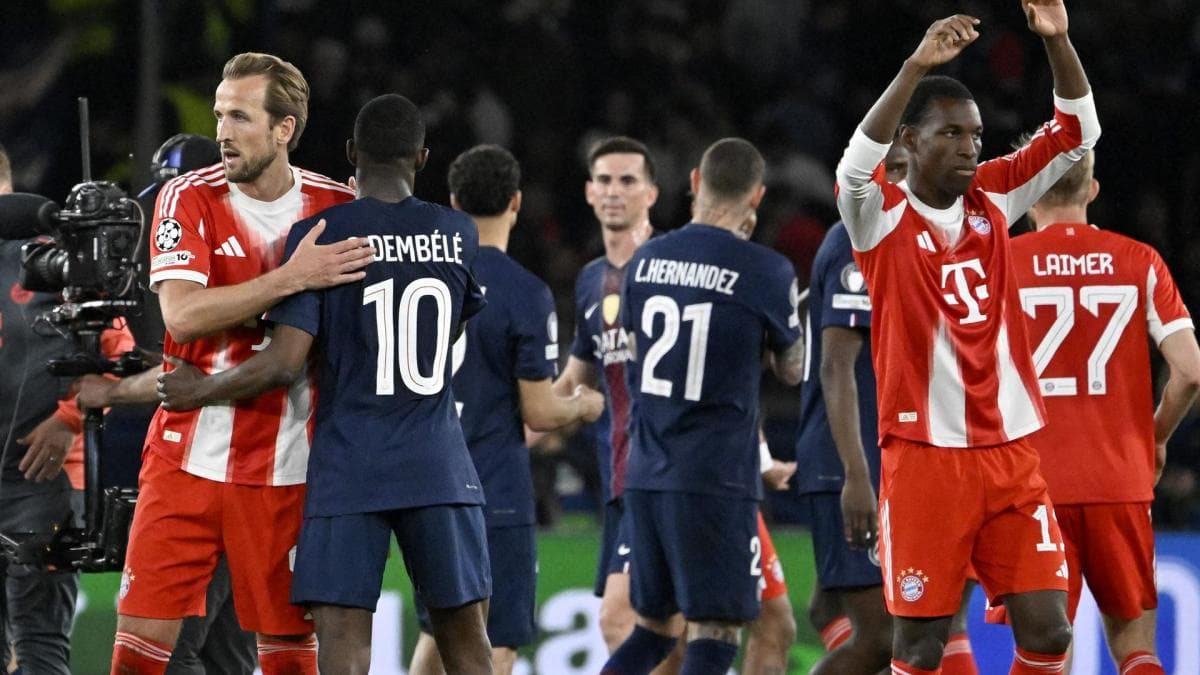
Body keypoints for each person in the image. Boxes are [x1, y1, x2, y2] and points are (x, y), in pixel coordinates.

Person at [159, 93, 494, 675]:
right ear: (421, 157)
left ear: (351, 154)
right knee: (467, 646)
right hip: (437, 461)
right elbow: (453, 327)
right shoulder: (458, 231)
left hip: (349, 463)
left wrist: (199, 390)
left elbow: (283, 364)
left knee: (344, 649)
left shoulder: (322, 235)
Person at [833, 3, 1100, 673]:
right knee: (920, 646)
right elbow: (853, 170)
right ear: (907, 143)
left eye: (975, 135)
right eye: (950, 133)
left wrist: (1059, 41)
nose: (968, 148)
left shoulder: (993, 197)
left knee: (1051, 632)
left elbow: (1077, 133)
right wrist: (914, 67)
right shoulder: (879, 217)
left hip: (1010, 454)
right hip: (925, 459)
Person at [109, 52, 374, 674]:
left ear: (284, 129)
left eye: (240, 117)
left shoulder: (336, 205)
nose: (222, 132)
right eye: (220, 114)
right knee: (136, 658)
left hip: (289, 466)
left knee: (288, 660)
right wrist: (292, 277)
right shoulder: (187, 195)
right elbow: (182, 315)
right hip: (183, 459)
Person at [556, 137, 796, 674]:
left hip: (656, 471)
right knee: (701, 631)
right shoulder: (762, 269)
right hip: (707, 479)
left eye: (627, 181)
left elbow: (674, 362)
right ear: (757, 196)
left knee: (675, 628)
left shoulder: (647, 263)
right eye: (605, 180)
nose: (614, 192)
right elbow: (786, 369)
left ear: (682, 186)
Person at [407, 145, 605, 675]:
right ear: (516, 202)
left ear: (453, 202)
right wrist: (583, 404)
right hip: (493, 490)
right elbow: (539, 413)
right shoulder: (525, 293)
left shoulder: (421, 281)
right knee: (494, 644)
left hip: (427, 484)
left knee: (438, 629)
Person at [1005, 143, 1200, 674]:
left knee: (1045, 652)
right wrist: (1155, 436)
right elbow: (1189, 371)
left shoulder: (1002, 264)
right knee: (1136, 648)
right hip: (1120, 479)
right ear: (1091, 190)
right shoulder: (1140, 260)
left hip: (1033, 483)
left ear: (1027, 198)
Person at [73, 133, 259, 675]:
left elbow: (198, 374)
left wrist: (111, 391)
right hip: (255, 475)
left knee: (168, 654)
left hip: (214, 473)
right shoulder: (252, 249)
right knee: (227, 657)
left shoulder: (228, 264)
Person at [798, 145, 979, 675]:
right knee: (883, 637)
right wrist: (856, 477)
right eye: (891, 170)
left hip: (899, 454)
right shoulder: (854, 241)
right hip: (854, 460)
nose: (903, 182)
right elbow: (837, 366)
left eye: (908, 170)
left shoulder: (914, 242)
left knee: (919, 616)